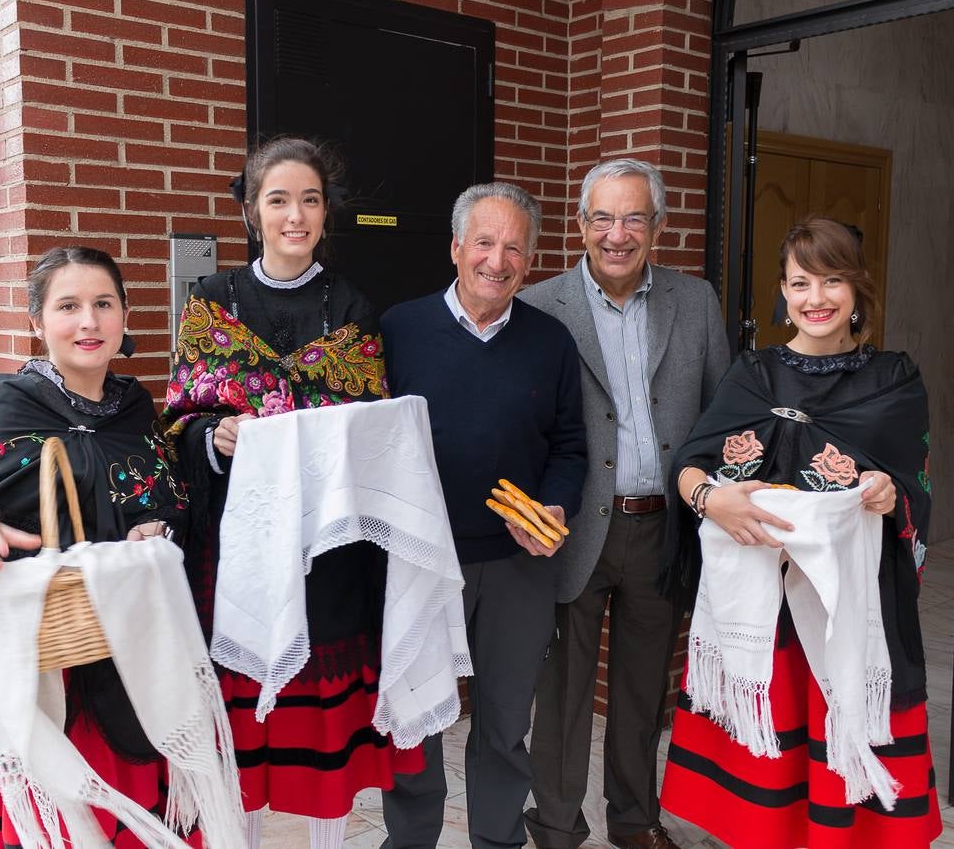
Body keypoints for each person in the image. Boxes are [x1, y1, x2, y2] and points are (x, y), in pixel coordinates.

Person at [0, 246, 192, 847]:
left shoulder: (134, 406)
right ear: (37, 322)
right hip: (44, 660)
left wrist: (155, 529)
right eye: (68, 306)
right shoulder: (12, 403)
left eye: (104, 304)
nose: (89, 322)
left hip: (125, 653)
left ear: (125, 315)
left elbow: (166, 500)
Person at [161, 136, 420, 849]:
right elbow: (180, 415)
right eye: (278, 200)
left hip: (326, 557)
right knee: (244, 737)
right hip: (237, 554)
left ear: (326, 212)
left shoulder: (354, 307)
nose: (295, 216)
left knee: (323, 743)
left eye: (310, 200)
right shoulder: (211, 303)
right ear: (252, 212)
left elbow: (370, 429)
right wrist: (213, 439)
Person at [658, 216, 941, 848]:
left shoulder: (893, 380)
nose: (816, 298)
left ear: (857, 290)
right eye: (800, 282)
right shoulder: (753, 374)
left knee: (847, 769)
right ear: (783, 293)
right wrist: (711, 499)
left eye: (832, 281)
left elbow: (912, 486)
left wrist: (893, 495)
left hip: (852, 606)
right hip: (767, 614)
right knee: (770, 785)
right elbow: (689, 463)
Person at [519, 158, 730, 849]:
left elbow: (723, 416)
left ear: (657, 226)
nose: (618, 233)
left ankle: (635, 820)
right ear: (581, 225)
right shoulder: (541, 305)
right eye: (603, 217)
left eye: (634, 217)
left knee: (644, 691)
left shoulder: (695, 300)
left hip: (661, 529)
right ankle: (554, 825)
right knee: (565, 693)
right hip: (573, 525)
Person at [379, 181, 589, 849]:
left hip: (515, 563)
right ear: (456, 247)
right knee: (415, 719)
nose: (497, 260)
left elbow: (570, 446)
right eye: (484, 242)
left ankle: (496, 841)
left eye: (514, 248)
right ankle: (410, 841)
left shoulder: (550, 342)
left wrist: (554, 506)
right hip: (419, 559)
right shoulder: (397, 330)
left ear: (530, 261)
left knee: (503, 723)